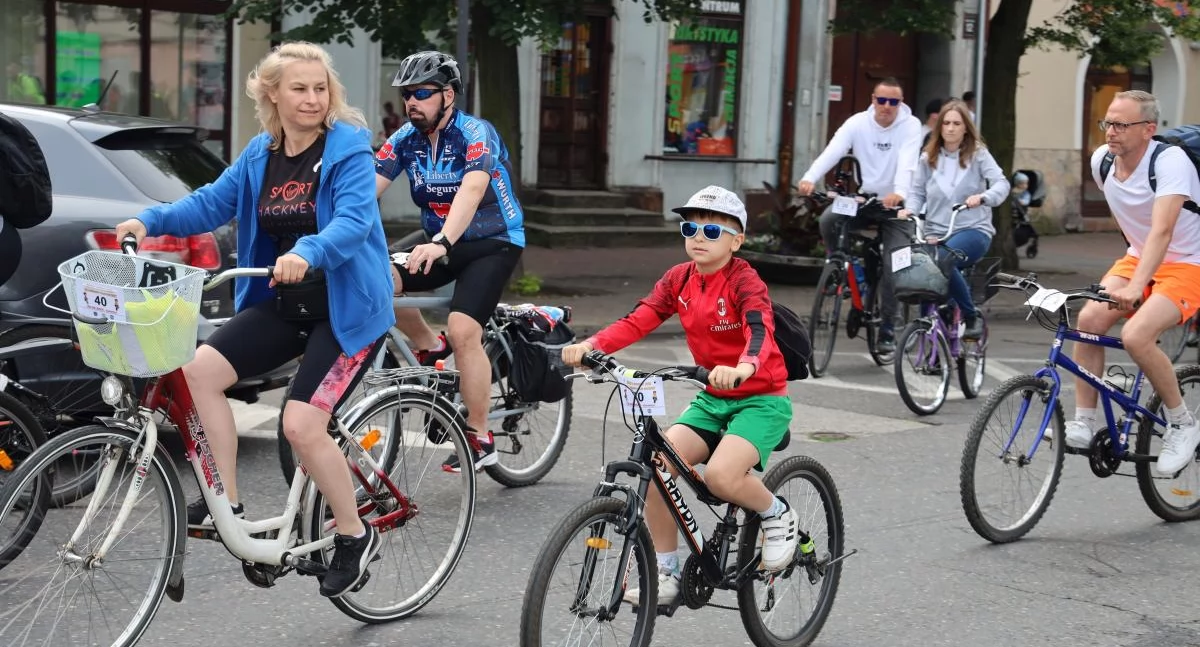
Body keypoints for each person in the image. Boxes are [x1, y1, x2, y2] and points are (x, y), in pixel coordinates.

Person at [115, 42, 395, 597]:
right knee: (197, 373)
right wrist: (148, 221)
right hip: (286, 303)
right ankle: (228, 502)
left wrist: (308, 252)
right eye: (299, 88)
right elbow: (208, 205)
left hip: (347, 311)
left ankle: (352, 534)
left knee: (300, 425)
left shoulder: (348, 150)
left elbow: (355, 222)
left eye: (320, 88)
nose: (313, 98)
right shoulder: (261, 153)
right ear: (272, 93)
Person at [561, 185, 798, 606]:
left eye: (712, 230)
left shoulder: (744, 279)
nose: (698, 237)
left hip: (760, 396)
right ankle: (666, 573)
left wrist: (743, 367)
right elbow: (639, 319)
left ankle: (776, 514)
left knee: (722, 478)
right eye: (690, 228)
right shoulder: (678, 279)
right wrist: (591, 346)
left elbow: (760, 329)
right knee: (658, 465)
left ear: (736, 240)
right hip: (711, 397)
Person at [375, 51, 525, 473]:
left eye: (422, 93)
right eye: (407, 94)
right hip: (439, 241)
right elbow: (368, 188)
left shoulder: (477, 132)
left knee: (463, 329)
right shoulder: (406, 137)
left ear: (449, 95)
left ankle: (480, 437)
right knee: (377, 277)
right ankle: (427, 346)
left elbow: (474, 189)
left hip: (492, 240)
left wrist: (442, 241)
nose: (412, 102)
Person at [1067, 90, 1200, 475]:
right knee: (1089, 322)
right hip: (1138, 258)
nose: (1111, 131)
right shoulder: (1102, 162)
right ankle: (1085, 420)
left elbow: (1162, 230)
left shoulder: (1170, 162)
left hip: (1189, 262)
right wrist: (1129, 275)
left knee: (1137, 335)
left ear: (1148, 130)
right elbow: (1132, 223)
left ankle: (1182, 424)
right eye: (1108, 122)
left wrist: (1134, 287)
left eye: (1122, 124)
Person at [795, 76, 923, 353]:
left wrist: (899, 192)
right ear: (873, 100)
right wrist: (809, 178)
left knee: (894, 265)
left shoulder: (911, 126)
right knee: (829, 218)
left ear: (901, 104)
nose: (887, 107)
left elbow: (908, 163)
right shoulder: (857, 123)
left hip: (897, 206)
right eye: (882, 100)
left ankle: (889, 326)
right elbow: (833, 150)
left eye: (894, 102)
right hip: (866, 199)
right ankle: (843, 268)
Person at [898, 99, 1009, 339]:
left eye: (956, 123)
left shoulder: (978, 155)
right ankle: (934, 338)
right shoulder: (928, 157)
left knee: (944, 262)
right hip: (935, 230)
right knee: (921, 272)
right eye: (946, 123)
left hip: (972, 229)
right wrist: (910, 210)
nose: (950, 128)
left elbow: (1002, 184)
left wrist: (983, 197)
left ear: (966, 127)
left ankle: (971, 316)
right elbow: (917, 192)